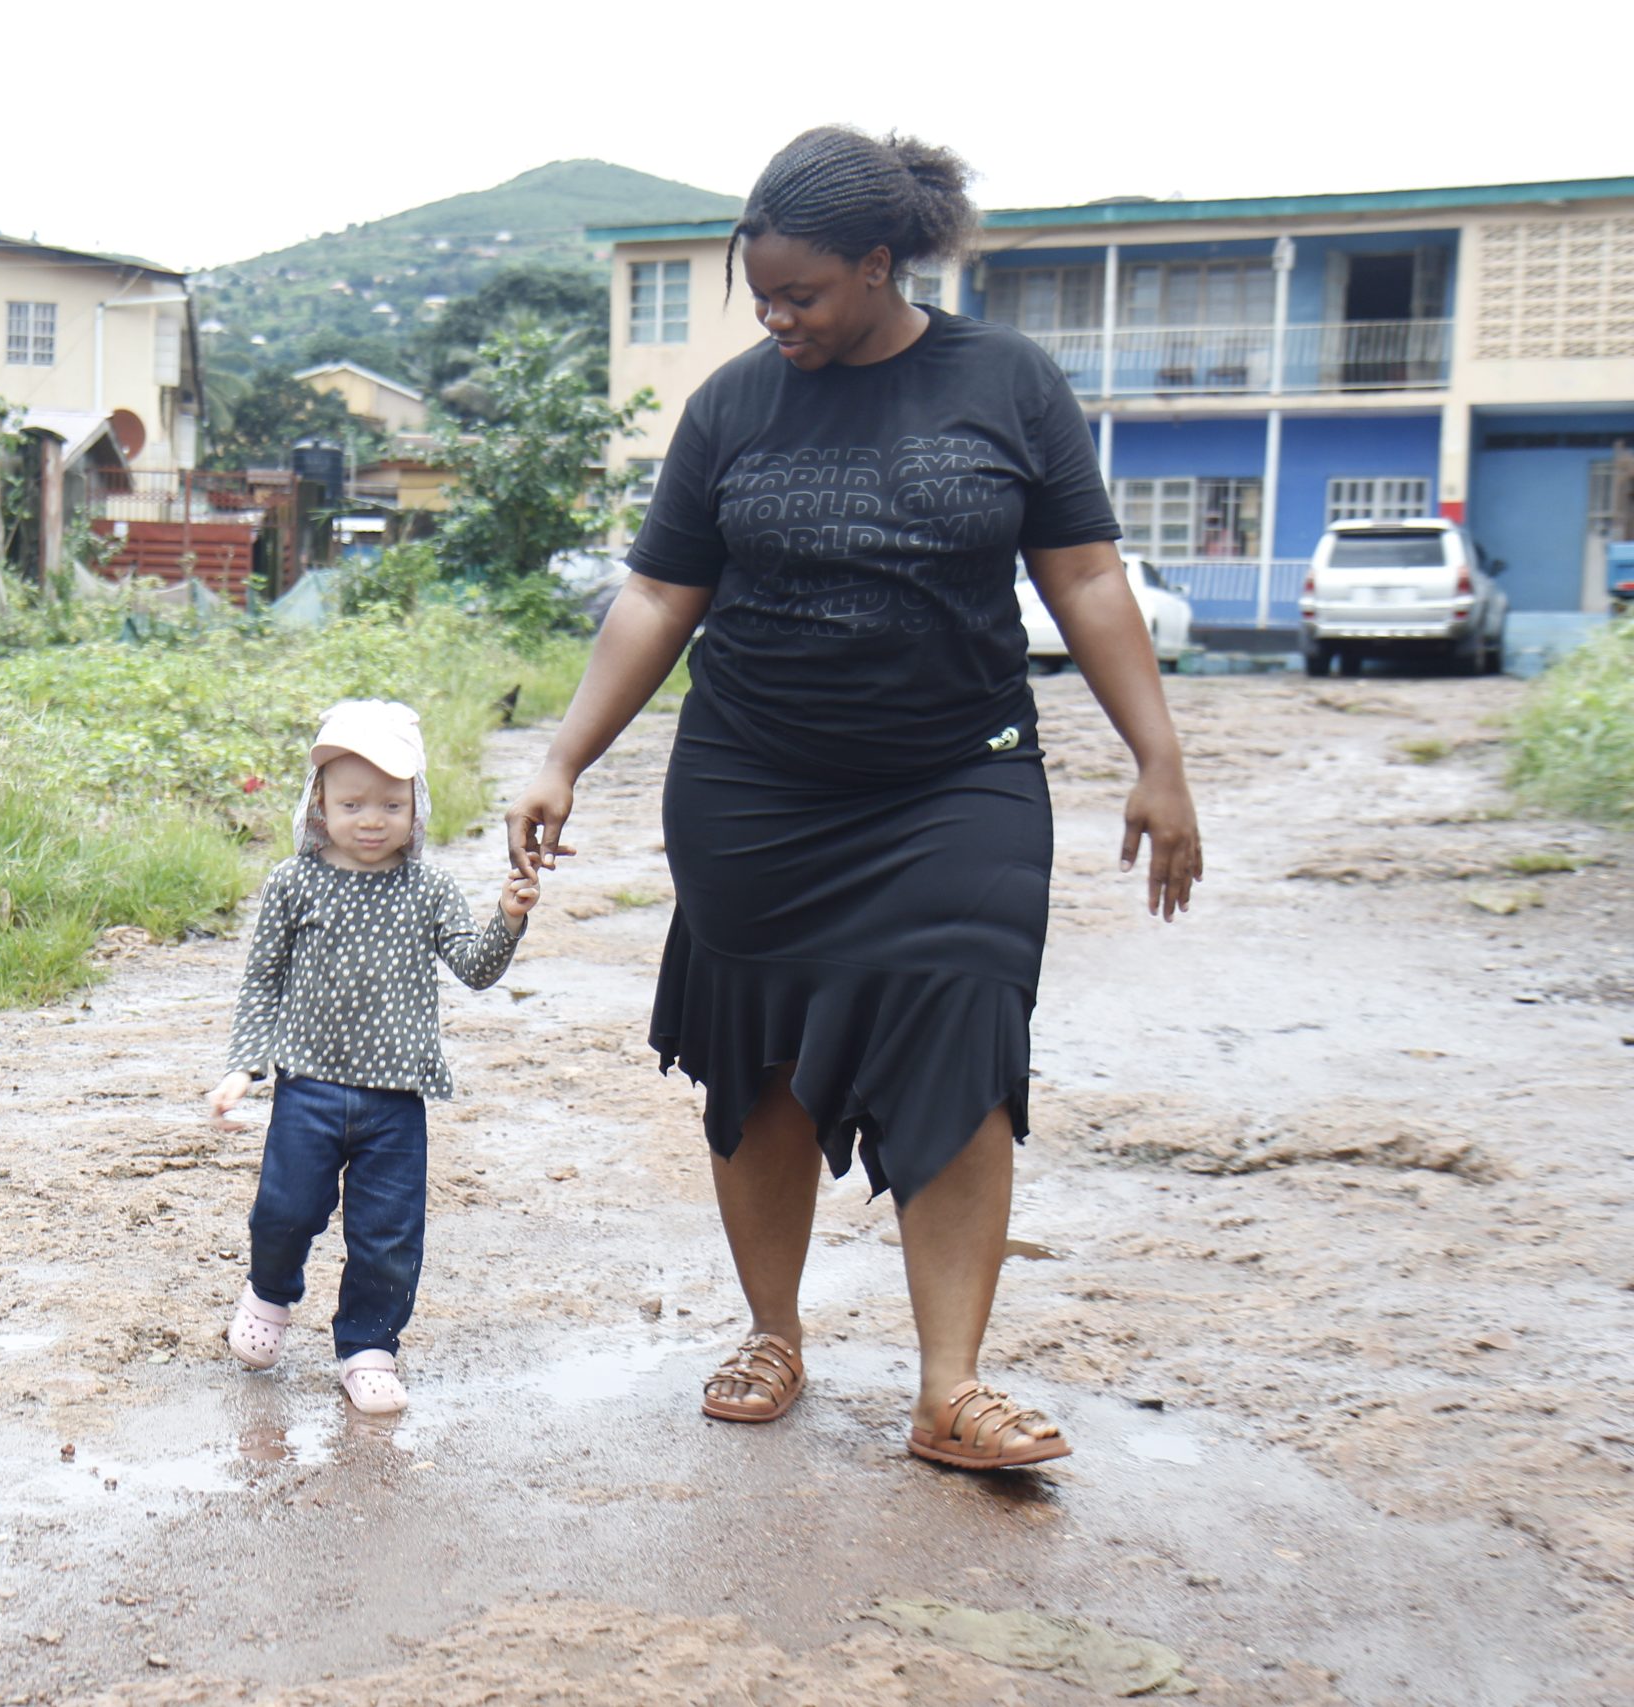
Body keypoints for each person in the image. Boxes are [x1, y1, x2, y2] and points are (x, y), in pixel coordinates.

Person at [505, 127, 1203, 1471]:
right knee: (757, 1057)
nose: (776, 318)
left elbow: (1089, 578)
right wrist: (563, 752)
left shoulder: (1006, 381)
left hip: (959, 775)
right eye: (758, 295)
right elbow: (659, 593)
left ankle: (952, 1384)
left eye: (802, 294)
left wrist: (1157, 756)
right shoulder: (733, 406)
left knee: (965, 1029)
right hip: (755, 782)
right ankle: (774, 1328)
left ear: (881, 266)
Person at [210, 699, 541, 1415]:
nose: (370, 818)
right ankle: (269, 1295)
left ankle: (369, 1348)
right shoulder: (293, 884)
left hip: (397, 1100)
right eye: (352, 801)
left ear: (416, 807)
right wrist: (246, 1064)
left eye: (391, 803)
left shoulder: (427, 889)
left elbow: (476, 968)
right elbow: (261, 980)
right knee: (285, 1211)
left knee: (388, 1235)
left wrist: (509, 918)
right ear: (318, 804)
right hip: (309, 1088)